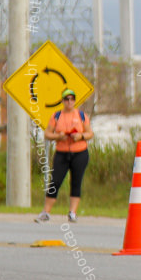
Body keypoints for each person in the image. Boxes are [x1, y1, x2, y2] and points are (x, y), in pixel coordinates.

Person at [35, 88, 94, 223]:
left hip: (79, 152)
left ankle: (72, 212)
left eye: (72, 99)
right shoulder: (56, 116)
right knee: (55, 181)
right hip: (62, 152)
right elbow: (47, 134)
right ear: (62, 101)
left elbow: (90, 133)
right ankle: (46, 212)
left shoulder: (81, 115)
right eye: (66, 99)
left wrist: (80, 136)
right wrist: (58, 136)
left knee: (76, 182)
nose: (69, 102)